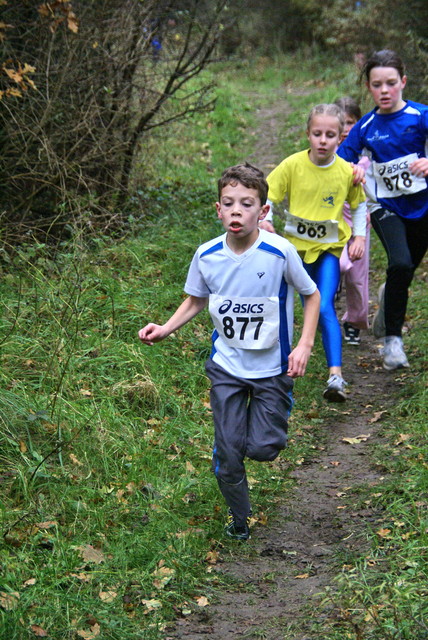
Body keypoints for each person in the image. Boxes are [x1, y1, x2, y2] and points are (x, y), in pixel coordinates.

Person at [139, 163, 320, 541]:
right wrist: (165, 328)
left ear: (263, 211)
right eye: (229, 203)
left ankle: (259, 432)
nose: (237, 211)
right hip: (226, 366)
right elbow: (195, 300)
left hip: (273, 367)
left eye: (247, 203)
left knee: (264, 448)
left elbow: (311, 294)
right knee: (228, 454)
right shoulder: (207, 256)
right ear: (218, 210)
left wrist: (303, 345)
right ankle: (240, 520)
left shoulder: (278, 252)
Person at [263, 104, 367, 401]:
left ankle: (336, 375)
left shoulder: (347, 172)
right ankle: (280, 366)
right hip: (295, 252)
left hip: (328, 251)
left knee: (321, 306)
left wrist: (357, 237)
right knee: (288, 306)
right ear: (307, 134)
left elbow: (358, 206)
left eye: (330, 134)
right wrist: (266, 221)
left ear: (340, 139)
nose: (323, 140)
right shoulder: (293, 165)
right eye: (317, 133)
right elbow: (267, 192)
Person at [337, 49, 428, 371]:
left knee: (405, 271)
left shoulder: (421, 116)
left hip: (422, 206)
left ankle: (390, 296)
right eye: (377, 85)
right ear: (369, 88)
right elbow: (341, 160)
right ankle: (392, 343)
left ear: (403, 82)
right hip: (385, 207)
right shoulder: (366, 126)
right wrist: (352, 170)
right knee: (400, 262)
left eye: (391, 83)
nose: (385, 91)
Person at [335, 97, 371, 346]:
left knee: (357, 278)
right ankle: (322, 313)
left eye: (352, 123)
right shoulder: (326, 152)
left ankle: (354, 322)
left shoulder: (367, 154)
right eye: (343, 123)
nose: (347, 129)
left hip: (359, 220)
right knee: (333, 268)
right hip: (331, 220)